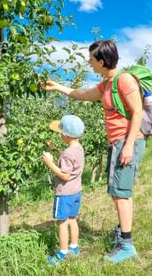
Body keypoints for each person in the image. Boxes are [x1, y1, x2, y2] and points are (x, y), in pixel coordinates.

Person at [40, 39, 145, 264]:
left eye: (91, 59)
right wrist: (58, 86)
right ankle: (123, 233)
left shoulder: (124, 80)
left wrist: (127, 146)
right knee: (118, 192)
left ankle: (127, 245)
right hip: (117, 142)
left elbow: (138, 112)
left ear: (102, 60)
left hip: (127, 141)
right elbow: (82, 94)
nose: (88, 62)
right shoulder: (106, 84)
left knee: (121, 193)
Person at [42, 114, 85, 267]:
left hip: (65, 193)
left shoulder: (68, 153)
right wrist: (54, 150)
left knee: (62, 223)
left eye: (60, 132)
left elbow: (65, 175)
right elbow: (68, 161)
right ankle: (74, 247)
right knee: (73, 220)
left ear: (65, 136)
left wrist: (50, 163)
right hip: (76, 192)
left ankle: (62, 253)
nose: (59, 134)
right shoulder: (78, 148)